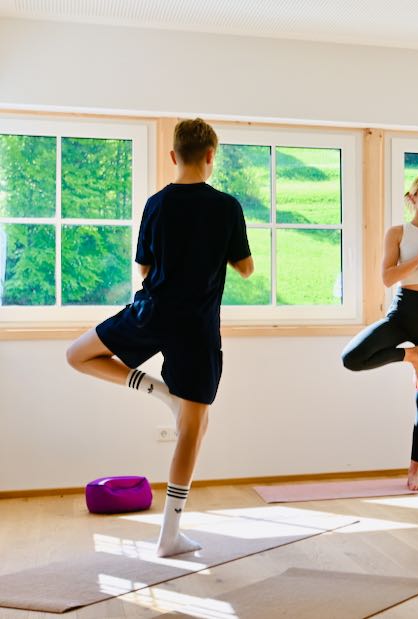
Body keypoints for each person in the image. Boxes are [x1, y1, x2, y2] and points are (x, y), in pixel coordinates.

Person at [66, 118, 253, 557]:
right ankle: (169, 535)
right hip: (197, 325)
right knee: (194, 427)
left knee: (77, 355)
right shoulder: (227, 207)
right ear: (211, 156)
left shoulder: (156, 203)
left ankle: (160, 393)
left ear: (173, 156)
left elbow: (144, 268)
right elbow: (246, 269)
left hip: (152, 311)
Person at [341, 175, 418, 491]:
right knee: (352, 358)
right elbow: (387, 277)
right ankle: (411, 355)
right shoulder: (397, 233)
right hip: (403, 312)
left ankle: (414, 472)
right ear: (412, 198)